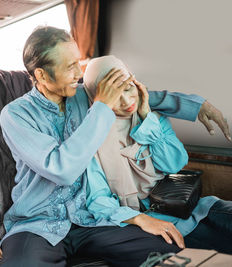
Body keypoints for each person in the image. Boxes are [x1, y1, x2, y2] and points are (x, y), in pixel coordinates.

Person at [0, 26, 231, 267]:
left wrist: (197, 106)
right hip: (37, 222)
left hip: (90, 220)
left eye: (78, 63)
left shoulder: (81, 95)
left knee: (168, 254)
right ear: (42, 76)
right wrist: (100, 106)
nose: (79, 73)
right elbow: (61, 169)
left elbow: (140, 93)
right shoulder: (16, 115)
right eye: (70, 67)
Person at [83, 55, 232, 255]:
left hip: (186, 207)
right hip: (147, 226)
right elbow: (98, 200)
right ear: (97, 97)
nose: (127, 101)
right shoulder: (90, 136)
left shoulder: (152, 117)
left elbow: (174, 164)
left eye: (128, 88)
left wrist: (147, 119)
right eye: (115, 95)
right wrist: (140, 220)